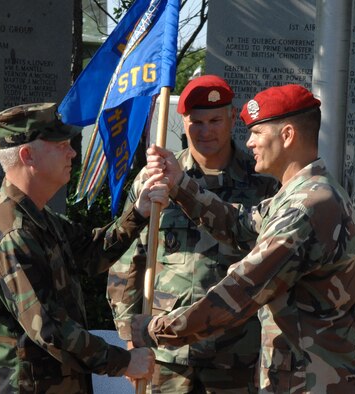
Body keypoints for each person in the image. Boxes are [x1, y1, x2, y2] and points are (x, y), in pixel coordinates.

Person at [132, 84, 355, 393]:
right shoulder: (302, 195)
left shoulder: (306, 207)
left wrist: (155, 330)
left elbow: (239, 292)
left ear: (286, 135)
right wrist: (180, 184)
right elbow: (241, 225)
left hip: (313, 383)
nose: (249, 142)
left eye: (257, 133)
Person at [0, 102, 170, 393]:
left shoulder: (39, 220)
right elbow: (51, 329)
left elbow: (92, 253)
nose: (71, 152)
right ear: (27, 154)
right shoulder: (13, 236)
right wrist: (123, 361)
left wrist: (140, 212)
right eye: (59, 145)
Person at [107, 75, 279, 393]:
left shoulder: (264, 183)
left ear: (231, 117)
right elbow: (127, 261)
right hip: (166, 356)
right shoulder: (155, 179)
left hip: (236, 355)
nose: (205, 131)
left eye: (215, 120)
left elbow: (274, 270)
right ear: (183, 122)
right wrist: (131, 337)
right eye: (196, 122)